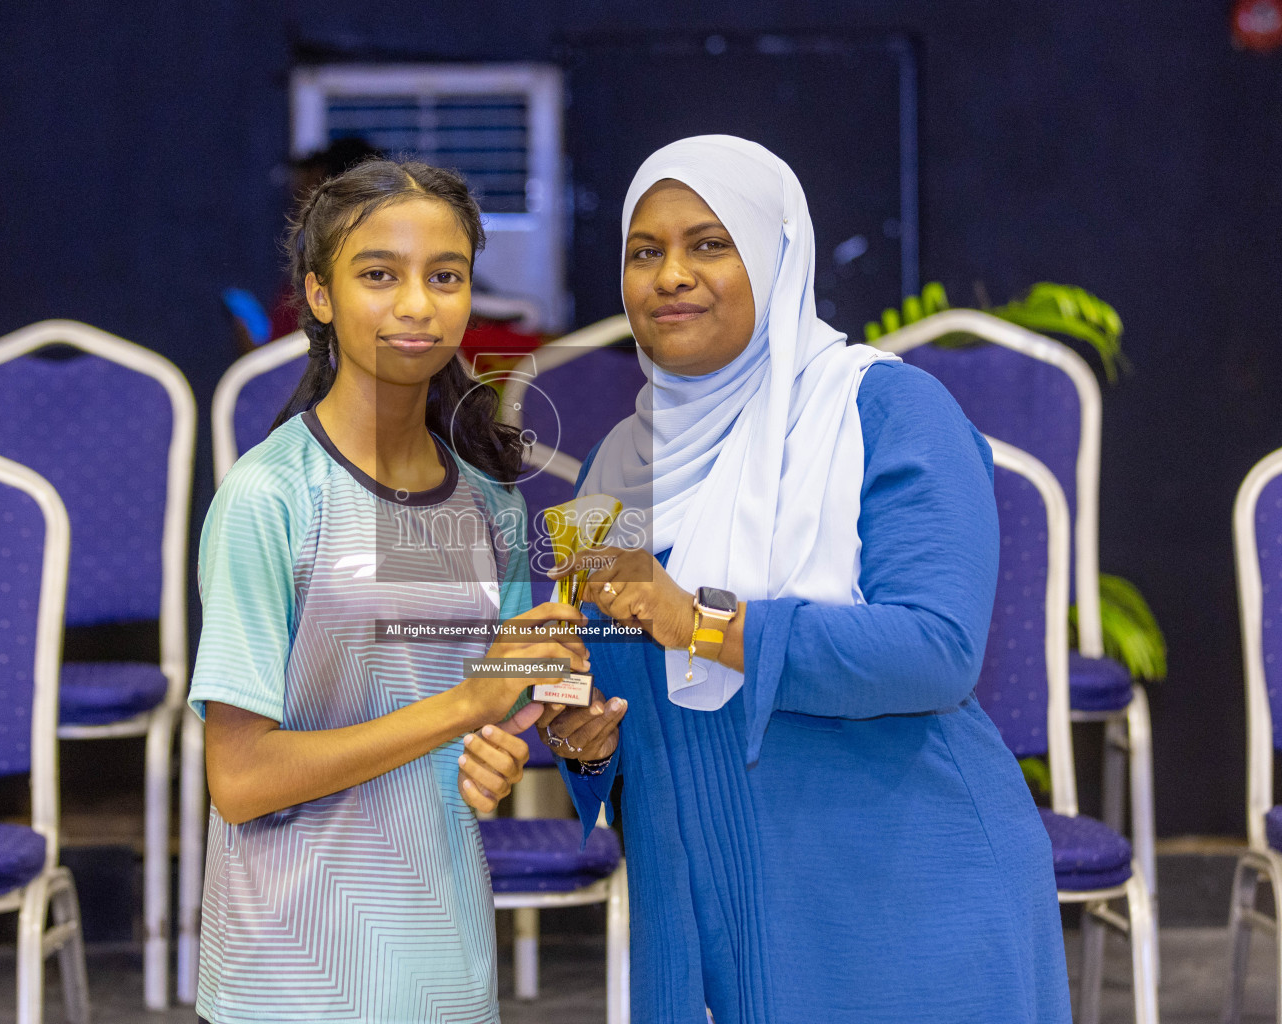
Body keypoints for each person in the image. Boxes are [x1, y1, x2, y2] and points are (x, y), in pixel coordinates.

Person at [538, 135, 1072, 1022]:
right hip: (707, 910)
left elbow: (936, 651)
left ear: (778, 259)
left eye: (710, 244)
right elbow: (605, 703)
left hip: (905, 900)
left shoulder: (888, 410)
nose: (671, 274)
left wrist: (695, 619)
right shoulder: (612, 469)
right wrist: (584, 742)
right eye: (645, 251)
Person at [189, 157, 591, 1024]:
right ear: (320, 297)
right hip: (290, 979)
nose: (417, 304)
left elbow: (505, 711)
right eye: (380, 275)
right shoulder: (271, 498)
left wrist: (513, 739)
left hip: (444, 971)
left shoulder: (490, 507)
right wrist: (460, 711)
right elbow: (241, 778)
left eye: (444, 276)